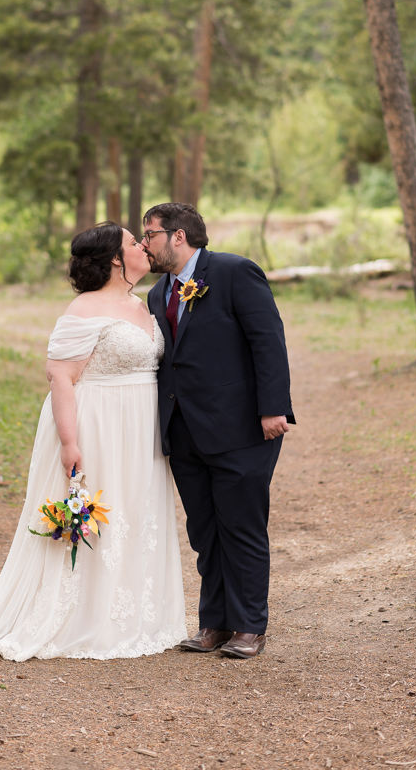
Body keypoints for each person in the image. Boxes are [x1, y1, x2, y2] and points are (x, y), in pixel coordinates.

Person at [0, 223, 186, 660]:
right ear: (114, 258)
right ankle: (82, 617)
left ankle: (133, 615)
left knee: (134, 510)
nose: (143, 246)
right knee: (99, 514)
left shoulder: (142, 302)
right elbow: (61, 377)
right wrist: (70, 443)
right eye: (133, 242)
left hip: (141, 428)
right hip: (97, 424)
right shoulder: (82, 310)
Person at [143, 203, 294, 659]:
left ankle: (250, 625)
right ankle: (214, 623)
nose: (144, 243)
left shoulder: (233, 272)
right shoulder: (155, 295)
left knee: (242, 526)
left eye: (149, 234)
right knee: (204, 530)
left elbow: (267, 340)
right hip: (184, 431)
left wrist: (273, 409)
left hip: (242, 427)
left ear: (178, 236)